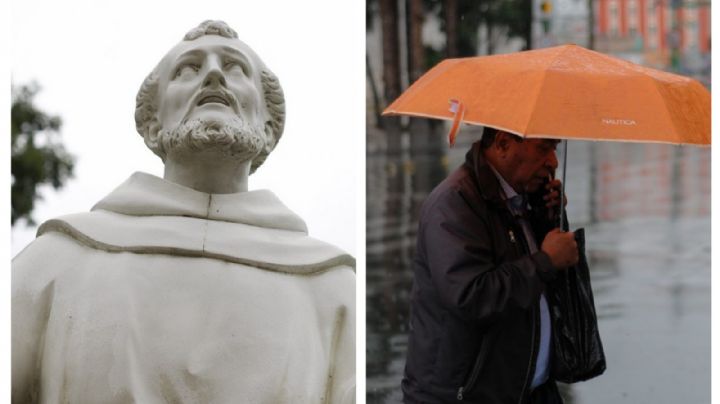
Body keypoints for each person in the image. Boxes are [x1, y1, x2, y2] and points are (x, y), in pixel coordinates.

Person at [12, 20, 355, 404]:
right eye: (188, 69)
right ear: (153, 124)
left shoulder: (334, 289)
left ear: (269, 125)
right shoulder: (54, 265)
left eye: (235, 68)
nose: (212, 76)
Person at [401, 127, 579, 404]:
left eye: (555, 148)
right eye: (544, 148)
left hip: (527, 392)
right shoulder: (454, 204)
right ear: (503, 144)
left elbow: (536, 285)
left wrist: (547, 219)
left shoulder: (518, 198)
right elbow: (471, 296)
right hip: (465, 396)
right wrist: (545, 261)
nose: (553, 161)